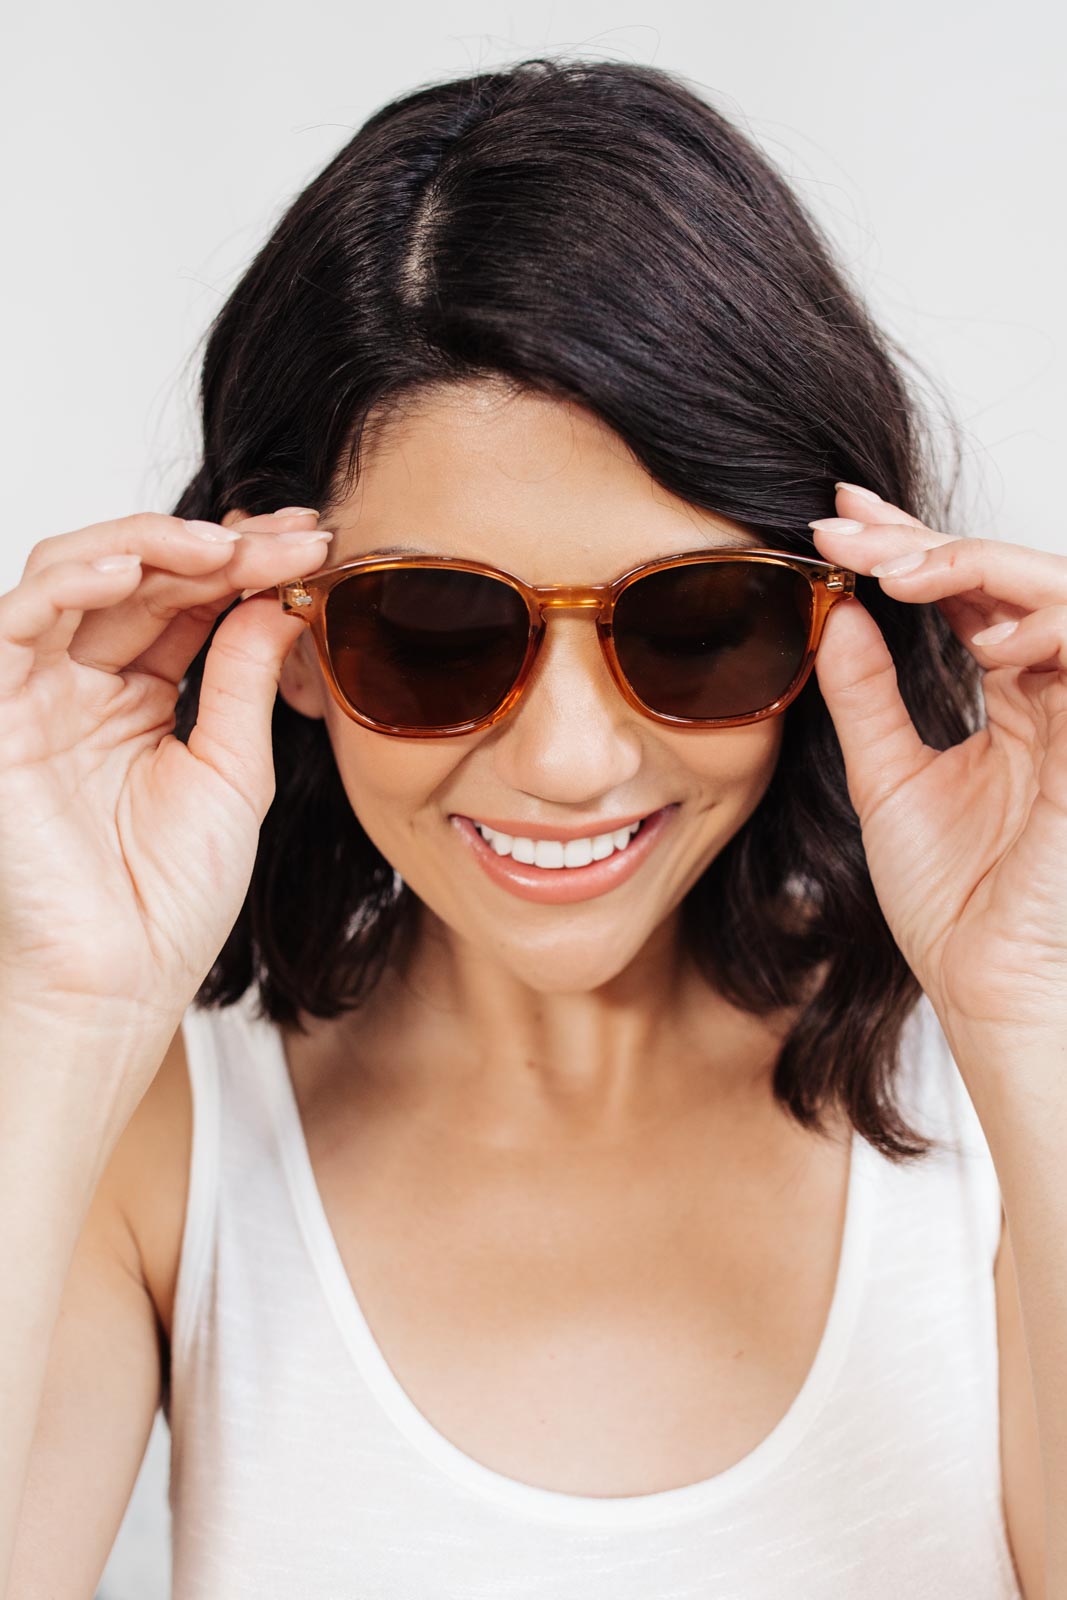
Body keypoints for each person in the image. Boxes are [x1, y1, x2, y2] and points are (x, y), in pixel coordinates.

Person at [1, 56, 1061, 1600]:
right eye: (430, 628)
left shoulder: (1002, 1098)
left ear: (841, 615)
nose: (570, 761)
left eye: (699, 621)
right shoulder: (159, 1140)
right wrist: (61, 1005)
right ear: (280, 637)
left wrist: (1033, 1014)